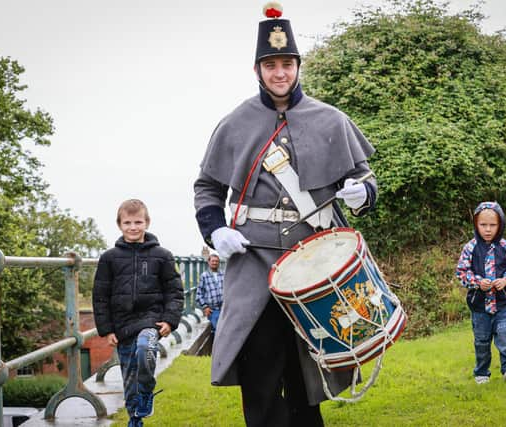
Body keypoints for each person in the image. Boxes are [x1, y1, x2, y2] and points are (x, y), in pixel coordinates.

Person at [193, 3, 378, 425]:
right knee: (259, 375)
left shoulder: (330, 119)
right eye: (271, 64)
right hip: (253, 260)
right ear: (257, 70)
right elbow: (207, 187)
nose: (280, 73)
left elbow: (366, 179)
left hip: (313, 261)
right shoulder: (234, 123)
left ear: (298, 66)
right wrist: (215, 230)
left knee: (307, 375)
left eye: (287, 64)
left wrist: (360, 192)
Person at [92, 199, 184, 427]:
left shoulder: (162, 255)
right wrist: (107, 329)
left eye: (138, 222)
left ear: (147, 222)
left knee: (145, 348)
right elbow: (100, 295)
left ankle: (147, 389)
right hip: (122, 325)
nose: (133, 227)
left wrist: (170, 321)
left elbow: (174, 291)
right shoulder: (109, 258)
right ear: (119, 225)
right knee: (130, 378)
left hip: (150, 321)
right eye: (128, 223)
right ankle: (136, 418)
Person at [455, 201, 506, 385]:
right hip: (479, 306)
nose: (488, 229)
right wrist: (477, 282)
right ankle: (482, 372)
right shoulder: (470, 248)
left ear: (500, 225)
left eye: (492, 225)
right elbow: (461, 272)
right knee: (482, 341)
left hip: (502, 304)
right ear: (476, 224)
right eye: (483, 225)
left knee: (504, 334)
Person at [195, 253, 224, 335]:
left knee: (223, 330)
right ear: (208, 262)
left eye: (217, 261)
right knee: (219, 330)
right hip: (213, 310)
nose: (215, 263)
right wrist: (205, 307)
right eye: (213, 261)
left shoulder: (223, 274)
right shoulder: (204, 276)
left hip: (224, 309)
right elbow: (199, 294)